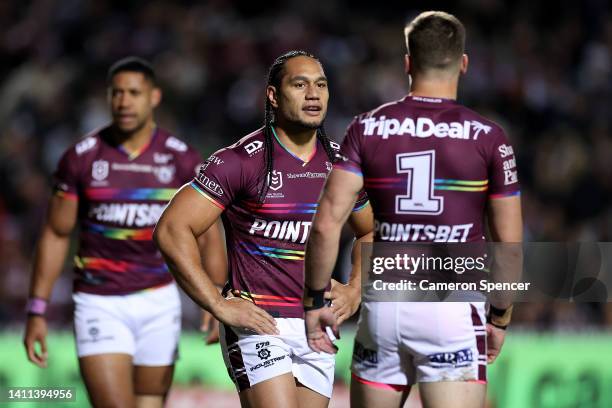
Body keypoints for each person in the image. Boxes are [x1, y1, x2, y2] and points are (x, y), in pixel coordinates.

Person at [303, 11, 523, 408]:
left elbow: (326, 224)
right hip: (452, 307)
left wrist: (314, 300)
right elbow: (508, 241)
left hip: (385, 306)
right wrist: (499, 318)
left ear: (407, 62)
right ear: (464, 63)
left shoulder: (366, 127)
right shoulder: (489, 137)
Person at [154, 50, 372, 408]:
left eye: (321, 85)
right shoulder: (241, 161)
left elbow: (370, 231)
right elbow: (172, 229)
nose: (313, 94)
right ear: (273, 95)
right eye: (299, 84)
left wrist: (355, 290)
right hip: (259, 325)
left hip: (317, 324)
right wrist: (217, 304)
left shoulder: (342, 166)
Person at [23, 56, 226, 408]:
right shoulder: (82, 158)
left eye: (134, 92)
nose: (124, 101)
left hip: (159, 302)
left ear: (154, 97)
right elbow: (56, 233)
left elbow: (208, 232)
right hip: (99, 303)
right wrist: (37, 309)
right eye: (117, 93)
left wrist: (215, 297)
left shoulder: (181, 159)